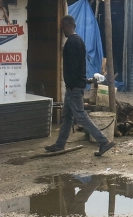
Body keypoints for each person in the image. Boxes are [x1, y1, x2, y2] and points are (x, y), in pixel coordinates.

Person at [44, 15, 115, 156]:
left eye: (62, 27)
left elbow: (73, 67)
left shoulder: (71, 43)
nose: (62, 30)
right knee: (68, 116)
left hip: (74, 87)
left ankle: (104, 141)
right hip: (75, 86)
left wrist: (72, 84)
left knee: (81, 117)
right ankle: (59, 145)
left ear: (65, 26)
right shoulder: (79, 41)